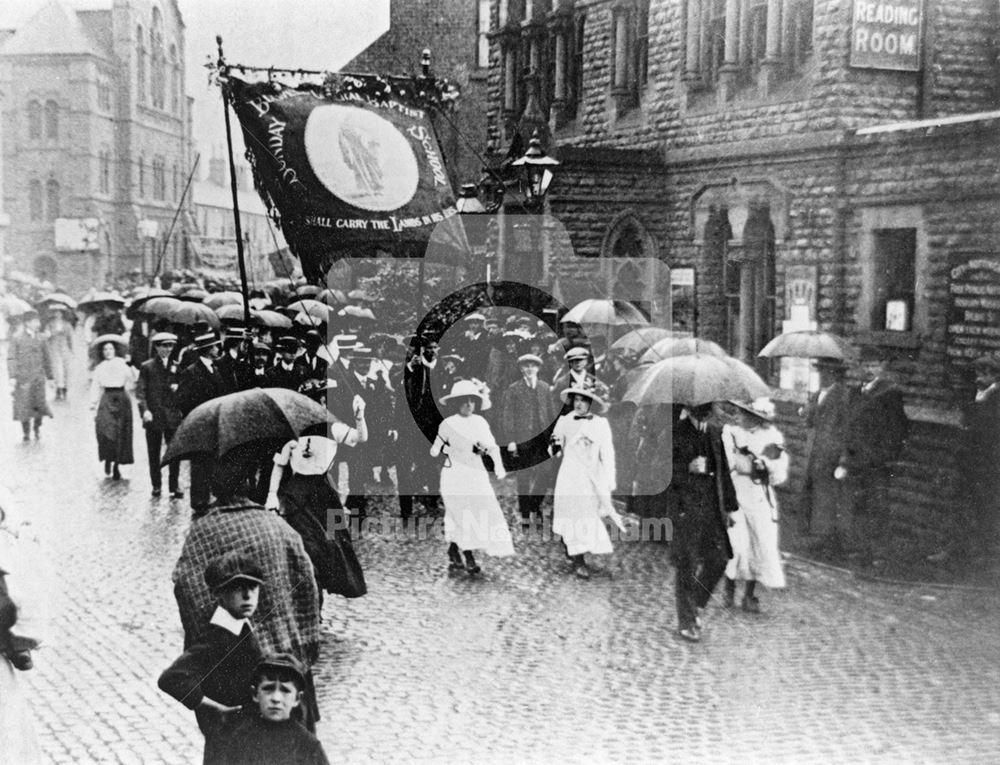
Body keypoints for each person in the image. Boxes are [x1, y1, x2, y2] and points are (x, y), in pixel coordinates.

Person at [172, 451, 322, 731]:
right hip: (287, 670)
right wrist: (305, 649)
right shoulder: (280, 527)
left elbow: (187, 589)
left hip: (233, 679)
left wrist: (211, 642)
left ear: (214, 484)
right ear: (252, 481)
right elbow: (308, 590)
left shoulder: (204, 531)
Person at [158, 551, 265, 764]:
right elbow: (171, 679)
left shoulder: (241, 627)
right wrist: (214, 707)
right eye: (237, 588)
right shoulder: (218, 636)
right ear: (219, 593)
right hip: (228, 743)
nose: (247, 595)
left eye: (253, 587)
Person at [265, 392, 368, 598]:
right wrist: (272, 494)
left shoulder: (333, 428)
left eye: (322, 401)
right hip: (296, 493)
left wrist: (359, 416)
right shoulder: (291, 430)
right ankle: (307, 595)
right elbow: (279, 464)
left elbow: (361, 438)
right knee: (306, 544)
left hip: (324, 493)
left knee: (333, 543)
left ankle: (321, 589)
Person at [662, 402, 737, 642]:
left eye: (708, 408)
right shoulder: (676, 431)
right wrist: (686, 467)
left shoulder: (714, 433)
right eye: (701, 408)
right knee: (687, 563)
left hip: (710, 509)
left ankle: (695, 604)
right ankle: (686, 620)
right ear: (691, 408)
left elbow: (723, 470)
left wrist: (730, 506)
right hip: (684, 509)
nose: (707, 412)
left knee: (719, 559)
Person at [431, 379, 512, 576]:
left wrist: (498, 465)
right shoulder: (448, 424)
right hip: (454, 474)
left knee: (481, 510)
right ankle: (468, 556)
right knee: (460, 512)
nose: (468, 405)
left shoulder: (480, 422)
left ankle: (453, 548)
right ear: (456, 403)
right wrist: (457, 449)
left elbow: (492, 446)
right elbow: (435, 450)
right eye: (464, 401)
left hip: (475, 474)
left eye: (472, 401)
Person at [837, 349, 909, 562]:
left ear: (883, 367)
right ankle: (859, 547)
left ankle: (878, 552)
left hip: (877, 461)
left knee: (877, 504)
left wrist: (884, 456)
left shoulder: (889, 393)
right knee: (857, 503)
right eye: (865, 365)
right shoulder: (855, 392)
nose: (869, 370)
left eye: (874, 365)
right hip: (855, 458)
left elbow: (898, 428)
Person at [721, 398, 788, 613]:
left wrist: (765, 465)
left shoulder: (772, 437)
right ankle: (729, 587)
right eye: (739, 412)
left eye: (744, 413)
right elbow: (725, 463)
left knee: (759, 544)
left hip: (759, 496)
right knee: (736, 543)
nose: (739, 416)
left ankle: (749, 595)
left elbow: (779, 473)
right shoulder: (731, 432)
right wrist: (739, 464)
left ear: (755, 417)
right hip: (736, 493)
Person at [549, 387, 623, 579]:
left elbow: (608, 452)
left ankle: (581, 550)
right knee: (572, 514)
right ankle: (578, 559)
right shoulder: (565, 421)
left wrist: (609, 479)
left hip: (591, 477)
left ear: (592, 404)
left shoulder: (600, 424)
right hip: (570, 476)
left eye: (583, 400)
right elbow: (553, 445)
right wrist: (555, 447)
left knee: (589, 515)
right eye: (576, 400)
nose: (579, 404)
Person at [214, 653, 330, 765]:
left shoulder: (308, 745)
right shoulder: (240, 739)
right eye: (268, 688)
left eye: (285, 690)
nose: (276, 698)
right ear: (255, 694)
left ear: (297, 699)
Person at [498, 353, 559, 528]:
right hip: (522, 438)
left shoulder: (545, 388)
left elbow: (551, 413)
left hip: (542, 439)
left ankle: (534, 504)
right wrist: (510, 439)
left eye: (533, 366)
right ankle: (525, 513)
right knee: (523, 477)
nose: (530, 369)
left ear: (538, 368)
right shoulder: (513, 389)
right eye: (526, 366)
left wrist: (553, 437)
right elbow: (507, 416)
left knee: (545, 473)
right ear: (521, 369)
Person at [802, 357, 857, 544]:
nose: (822, 375)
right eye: (820, 371)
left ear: (836, 374)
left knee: (828, 496)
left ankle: (826, 538)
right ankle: (815, 534)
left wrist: (842, 458)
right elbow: (811, 422)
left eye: (827, 371)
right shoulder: (817, 394)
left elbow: (847, 429)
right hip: (815, 452)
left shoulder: (843, 396)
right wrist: (807, 410)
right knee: (814, 493)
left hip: (831, 454)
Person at [177, 332, 228, 511]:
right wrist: (196, 417)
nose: (217, 349)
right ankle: (199, 500)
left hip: (214, 424)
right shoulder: (191, 372)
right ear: (208, 350)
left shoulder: (215, 369)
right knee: (199, 463)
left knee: (211, 460)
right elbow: (182, 400)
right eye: (214, 347)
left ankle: (208, 496)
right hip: (199, 425)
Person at [136, 332, 184, 498]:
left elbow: (183, 389)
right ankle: (156, 485)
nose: (168, 349)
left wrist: (178, 389)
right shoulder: (147, 367)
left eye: (171, 346)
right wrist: (145, 411)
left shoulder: (176, 366)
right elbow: (140, 392)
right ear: (156, 347)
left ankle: (174, 485)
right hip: (154, 416)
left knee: (174, 452)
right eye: (164, 345)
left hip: (172, 416)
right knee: (153, 453)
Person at [90, 340, 136, 480]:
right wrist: (93, 404)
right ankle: (108, 459)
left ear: (115, 350)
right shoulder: (100, 367)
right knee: (105, 431)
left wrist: (131, 364)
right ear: (102, 352)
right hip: (107, 398)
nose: (108, 351)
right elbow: (96, 386)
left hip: (121, 398)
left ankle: (116, 464)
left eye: (110, 348)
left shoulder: (122, 363)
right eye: (105, 349)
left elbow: (134, 378)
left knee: (120, 432)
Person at [8, 310, 52, 441]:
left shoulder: (41, 338)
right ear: (27, 323)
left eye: (38, 321)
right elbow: (11, 358)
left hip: (38, 377)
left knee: (39, 404)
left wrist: (50, 377)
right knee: (24, 405)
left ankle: (37, 427)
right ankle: (26, 431)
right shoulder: (17, 338)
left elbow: (47, 358)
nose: (37, 324)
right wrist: (12, 376)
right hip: (23, 378)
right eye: (34, 321)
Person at [44, 306, 74, 401]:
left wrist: (72, 349)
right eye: (56, 312)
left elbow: (70, 338)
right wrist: (51, 333)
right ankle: (58, 389)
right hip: (54, 348)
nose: (58, 314)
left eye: (60, 312)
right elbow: (46, 336)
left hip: (64, 348)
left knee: (66, 369)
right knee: (56, 369)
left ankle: (65, 389)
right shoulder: (50, 324)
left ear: (62, 314)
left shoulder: (67, 324)